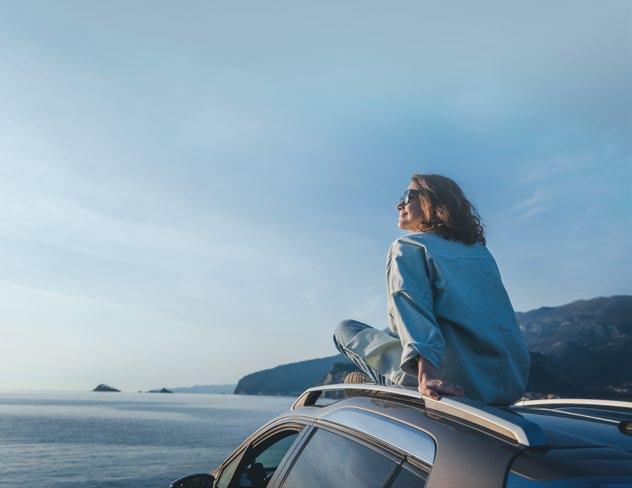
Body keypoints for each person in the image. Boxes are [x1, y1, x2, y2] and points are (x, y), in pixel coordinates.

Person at [333, 174, 531, 405]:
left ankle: (391, 390)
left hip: (448, 383)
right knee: (393, 331)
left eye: (408, 196)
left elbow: (413, 308)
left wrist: (426, 374)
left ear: (434, 202)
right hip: (507, 386)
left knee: (344, 330)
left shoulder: (409, 247)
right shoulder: (482, 253)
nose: (399, 205)